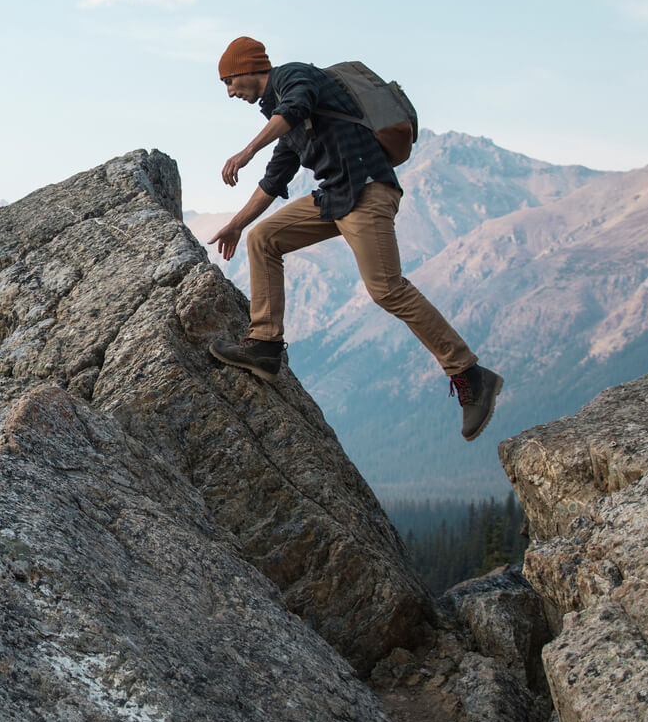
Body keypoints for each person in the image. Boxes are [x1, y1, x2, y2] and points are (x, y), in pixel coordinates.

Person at [204, 36, 504, 441]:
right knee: (263, 238)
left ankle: (470, 373)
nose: (229, 92)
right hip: (335, 196)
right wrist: (238, 223)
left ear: (247, 69)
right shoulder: (281, 116)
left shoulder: (295, 78)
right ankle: (264, 345)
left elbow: (295, 108)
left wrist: (247, 151)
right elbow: (276, 179)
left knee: (386, 289)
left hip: (366, 190)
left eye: (229, 81)